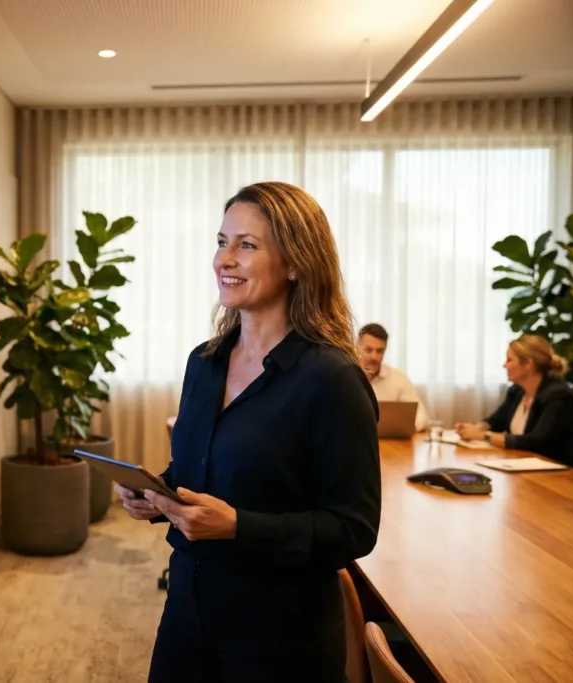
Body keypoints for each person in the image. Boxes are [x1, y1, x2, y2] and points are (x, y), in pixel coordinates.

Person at [116, 181, 381, 682]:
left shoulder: (331, 379)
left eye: (247, 245)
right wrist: (157, 494)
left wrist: (238, 525)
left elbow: (354, 530)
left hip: (279, 637)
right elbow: (200, 468)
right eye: (221, 242)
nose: (225, 259)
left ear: (297, 263)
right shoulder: (205, 362)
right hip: (187, 614)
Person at [455, 335, 573, 466]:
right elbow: (496, 421)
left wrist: (484, 436)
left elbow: (537, 442)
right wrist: (476, 428)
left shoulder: (558, 396)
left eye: (509, 360)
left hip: (559, 475)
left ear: (528, 364)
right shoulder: (517, 391)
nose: (504, 365)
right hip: (523, 466)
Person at [357, 322, 430, 431]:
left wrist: (403, 428)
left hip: (391, 442)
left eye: (380, 351)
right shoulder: (346, 376)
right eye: (368, 350)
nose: (374, 356)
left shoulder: (398, 378)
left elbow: (422, 416)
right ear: (357, 347)